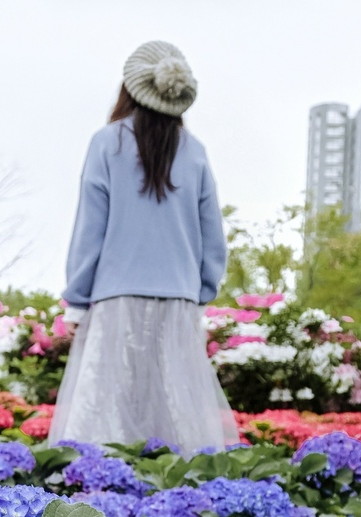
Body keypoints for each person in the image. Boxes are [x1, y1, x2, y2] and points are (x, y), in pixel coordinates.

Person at [48, 40, 240, 451]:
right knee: (178, 422)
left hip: (115, 301)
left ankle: (100, 505)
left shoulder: (107, 143)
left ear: (131, 87)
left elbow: (90, 230)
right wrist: (198, 292)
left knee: (105, 418)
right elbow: (213, 241)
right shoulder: (195, 152)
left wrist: (77, 300)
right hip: (179, 303)